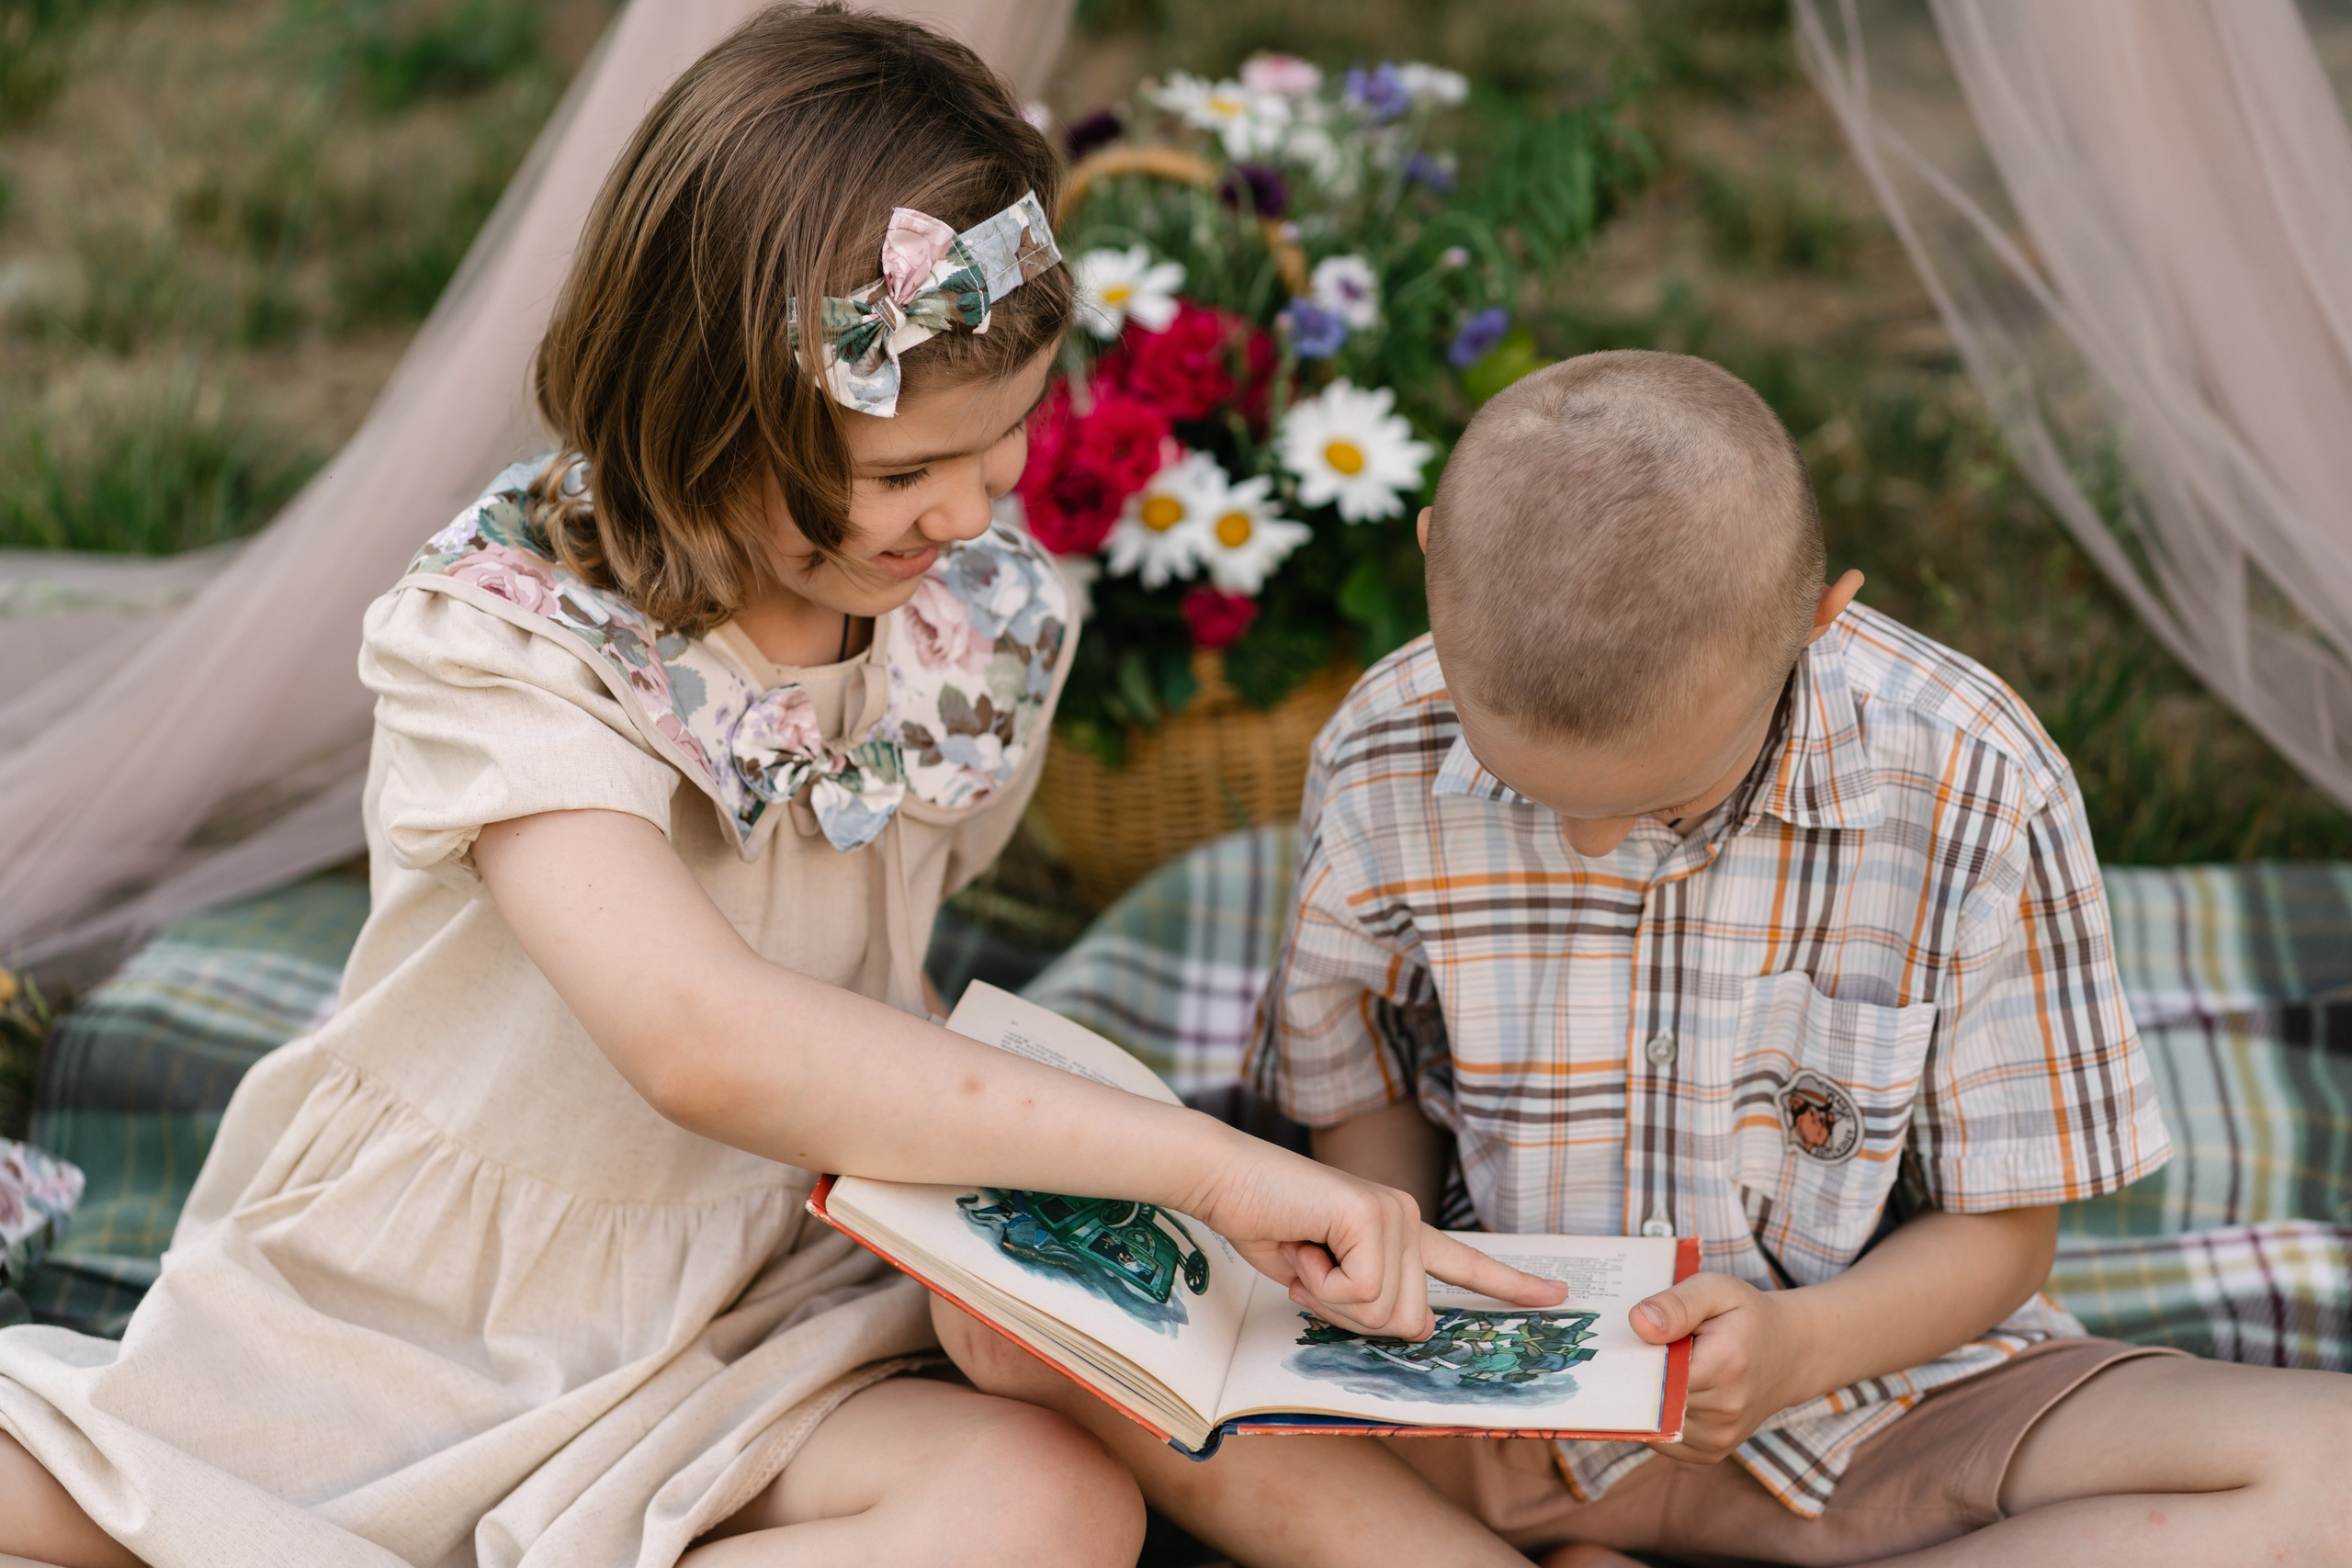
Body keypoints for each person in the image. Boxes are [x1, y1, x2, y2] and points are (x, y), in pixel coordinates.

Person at [0, 11, 1560, 1567]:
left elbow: (861, 967)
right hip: (439, 1307)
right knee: (114, 1494)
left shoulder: (982, 619)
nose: (963, 509)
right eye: (898, 476)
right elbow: (700, 1039)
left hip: (768, 1269)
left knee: (1047, 1507)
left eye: (1007, 438)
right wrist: (1212, 1163)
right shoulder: (514, 636)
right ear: (701, 420)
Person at [941, 349, 2352, 1566]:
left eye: (1662, 800)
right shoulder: (1381, 746)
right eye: (1533, 792)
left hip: (1870, 1401)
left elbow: (2006, 1234)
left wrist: (1800, 1351)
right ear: (1435, 564)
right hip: (1467, 1401)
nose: (1598, 840)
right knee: (1019, 1339)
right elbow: (1358, 1081)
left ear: (1819, 620)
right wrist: (1380, 1245)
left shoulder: (1977, 787)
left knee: (2329, 1479)